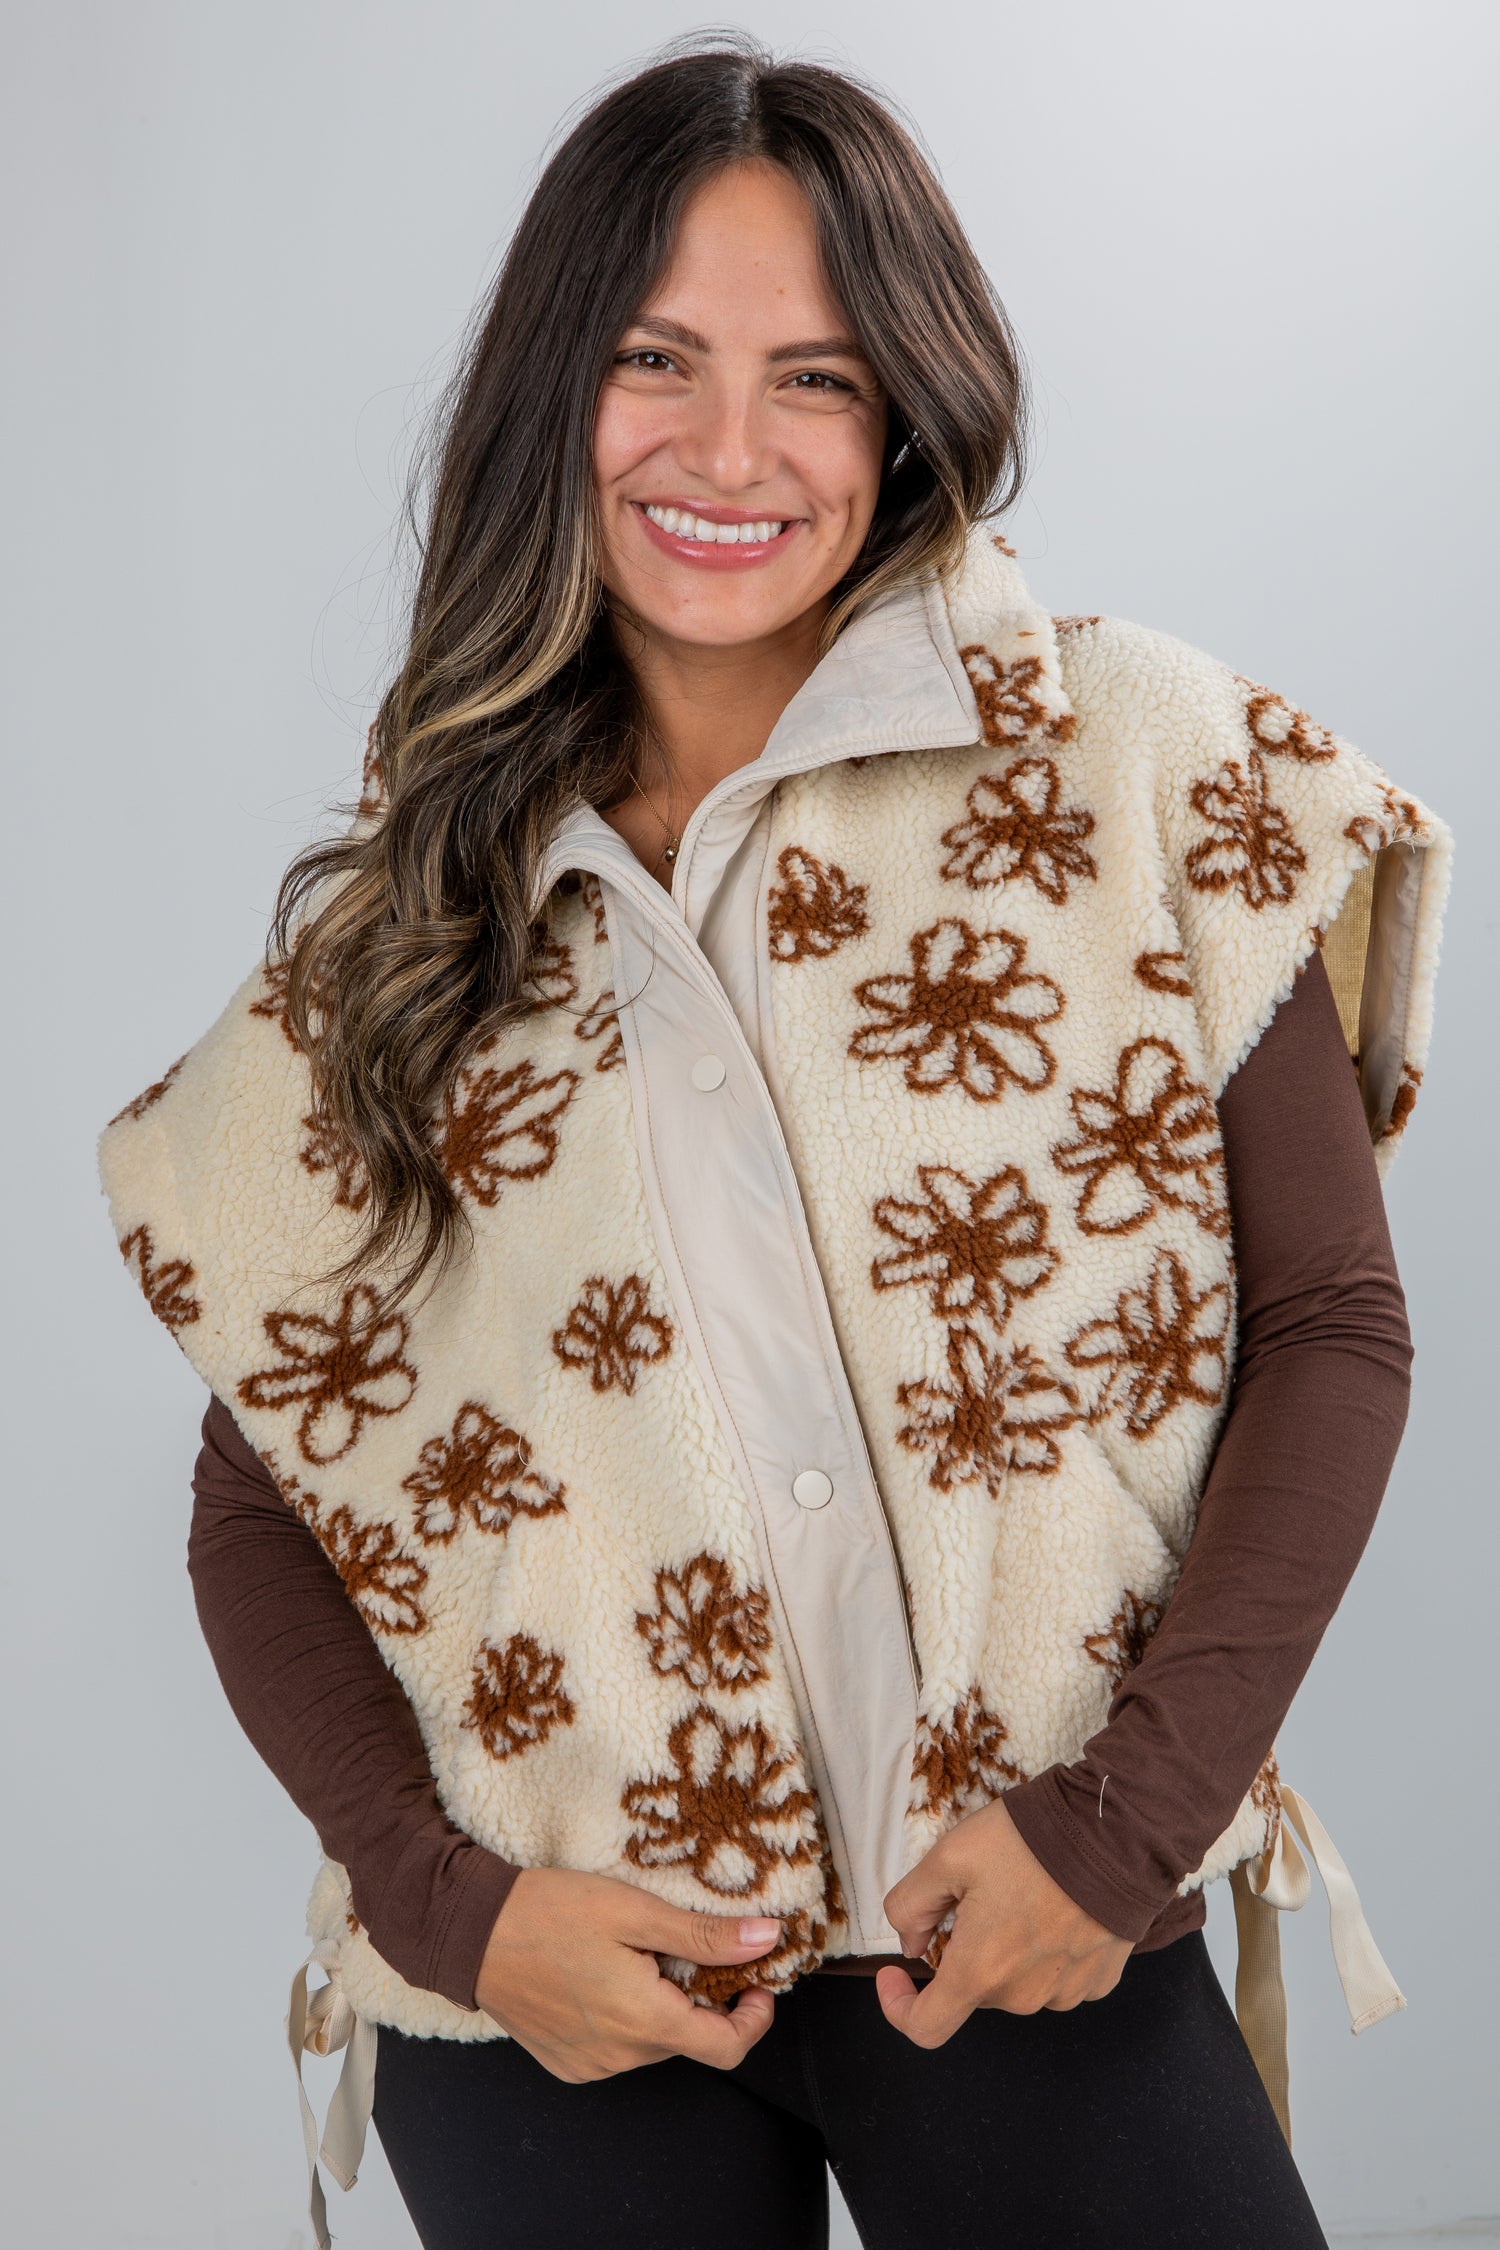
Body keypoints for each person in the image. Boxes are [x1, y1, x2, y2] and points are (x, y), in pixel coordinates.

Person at [101, 37, 1452, 2250]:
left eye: (814, 376)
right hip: (563, 2003)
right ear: (558, 389)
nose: (731, 451)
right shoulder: (405, 925)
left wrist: (1125, 1830)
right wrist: (455, 1917)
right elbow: (262, 1495)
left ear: (906, 403)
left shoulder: (1137, 766)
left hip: (1023, 1921)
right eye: (658, 358)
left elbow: (1330, 1318)